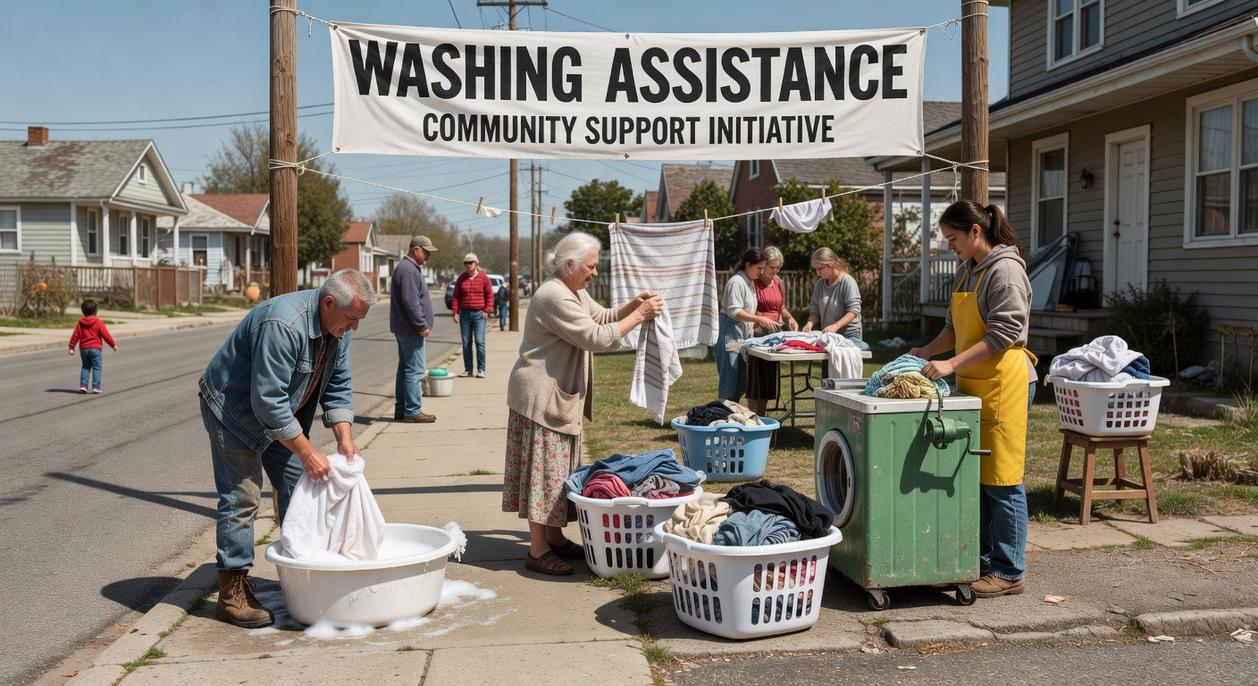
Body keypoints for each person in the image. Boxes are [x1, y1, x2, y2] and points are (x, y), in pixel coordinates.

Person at [198, 269, 376, 627]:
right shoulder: (284, 325)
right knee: (242, 497)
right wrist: (308, 451)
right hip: (234, 411)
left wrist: (343, 437)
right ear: (328, 303)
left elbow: (338, 385)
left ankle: (304, 572)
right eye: (351, 319)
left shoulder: (337, 328)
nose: (354, 327)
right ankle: (231, 592)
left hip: (281, 416)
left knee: (303, 489)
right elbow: (267, 401)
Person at [502, 231, 662, 576]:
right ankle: (538, 549)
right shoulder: (554, 297)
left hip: (553, 396)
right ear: (569, 264)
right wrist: (641, 315)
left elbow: (602, 317)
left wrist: (634, 305)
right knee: (543, 476)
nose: (594, 272)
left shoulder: (572, 291)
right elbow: (595, 337)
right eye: (590, 266)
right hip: (540, 398)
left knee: (558, 475)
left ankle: (555, 538)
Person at [910, 201, 1037, 599]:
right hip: (976, 383)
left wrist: (951, 365)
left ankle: (1009, 570)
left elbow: (1003, 333)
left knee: (1002, 479)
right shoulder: (968, 272)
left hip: (1005, 383)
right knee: (975, 479)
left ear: (975, 232)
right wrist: (927, 351)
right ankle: (981, 561)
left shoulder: (1005, 270)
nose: (951, 248)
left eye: (953, 239)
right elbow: (953, 327)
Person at [716, 247, 778, 402]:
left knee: (740, 384)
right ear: (748, 264)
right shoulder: (737, 282)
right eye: (759, 268)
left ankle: (730, 417)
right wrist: (758, 319)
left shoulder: (749, 282)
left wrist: (759, 319)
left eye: (763, 268)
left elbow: (747, 311)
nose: (761, 272)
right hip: (729, 336)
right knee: (730, 384)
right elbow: (734, 311)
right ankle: (723, 417)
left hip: (741, 337)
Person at [390, 235, 438, 423]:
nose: (428, 256)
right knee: (415, 371)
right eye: (426, 252)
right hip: (411, 329)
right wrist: (422, 325)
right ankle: (412, 411)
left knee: (405, 369)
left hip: (405, 328)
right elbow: (411, 302)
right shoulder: (408, 270)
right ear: (415, 249)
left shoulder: (407, 268)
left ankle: (402, 409)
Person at [745, 246, 798, 415]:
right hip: (758, 334)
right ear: (764, 264)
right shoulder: (754, 282)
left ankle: (762, 415)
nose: (776, 271)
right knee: (756, 379)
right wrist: (761, 318)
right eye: (772, 267)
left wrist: (790, 318)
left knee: (768, 378)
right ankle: (752, 415)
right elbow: (748, 308)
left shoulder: (777, 282)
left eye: (778, 267)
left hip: (774, 335)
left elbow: (780, 307)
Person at [802, 247, 867, 349]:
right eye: (816, 269)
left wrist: (835, 326)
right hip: (828, 337)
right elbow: (815, 310)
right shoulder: (820, 284)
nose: (818, 273)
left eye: (820, 268)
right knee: (827, 365)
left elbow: (854, 311)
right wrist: (810, 323)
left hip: (849, 337)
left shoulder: (848, 282)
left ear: (831, 264)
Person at [451, 253, 494, 377]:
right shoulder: (461, 278)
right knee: (466, 343)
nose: (468, 265)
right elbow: (455, 297)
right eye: (466, 263)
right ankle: (468, 369)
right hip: (464, 314)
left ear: (476, 264)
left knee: (480, 342)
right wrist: (455, 312)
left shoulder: (484, 278)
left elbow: (490, 295)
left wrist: (486, 310)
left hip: (479, 314)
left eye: (471, 263)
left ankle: (481, 369)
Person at [67, 299, 116, 393]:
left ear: (83, 311)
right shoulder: (98, 322)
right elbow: (106, 335)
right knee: (97, 367)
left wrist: (71, 347)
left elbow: (75, 335)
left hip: (84, 349)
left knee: (85, 366)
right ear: (96, 311)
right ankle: (96, 386)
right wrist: (113, 345)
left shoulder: (80, 323)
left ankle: (83, 385)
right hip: (95, 349)